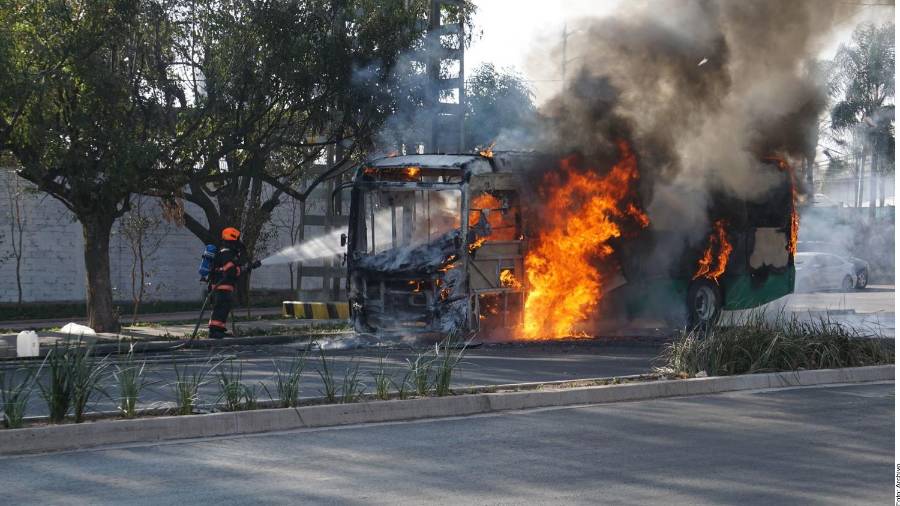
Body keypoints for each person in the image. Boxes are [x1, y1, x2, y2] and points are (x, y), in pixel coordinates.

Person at [208, 227, 261, 339]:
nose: (238, 242)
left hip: (223, 285)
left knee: (223, 307)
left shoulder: (227, 252)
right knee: (221, 307)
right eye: (236, 240)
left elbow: (234, 268)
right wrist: (245, 268)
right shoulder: (227, 253)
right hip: (221, 285)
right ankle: (214, 332)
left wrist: (247, 266)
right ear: (232, 240)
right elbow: (231, 271)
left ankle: (218, 330)